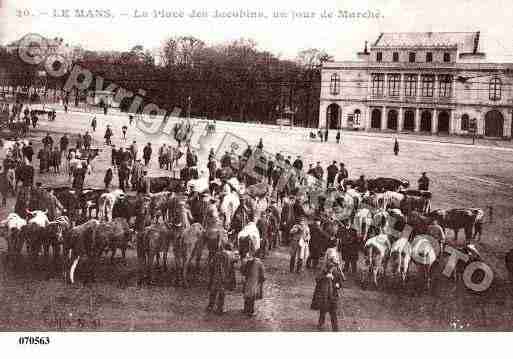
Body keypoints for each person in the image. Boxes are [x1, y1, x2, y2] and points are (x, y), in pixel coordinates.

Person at [311, 259, 344, 331]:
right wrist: (325, 276)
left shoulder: (337, 273)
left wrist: (336, 284)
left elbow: (340, 284)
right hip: (324, 296)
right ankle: (320, 324)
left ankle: (335, 328)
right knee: (323, 311)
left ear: (335, 267)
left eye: (332, 267)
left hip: (333, 297)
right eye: (329, 267)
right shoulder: (323, 272)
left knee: (333, 313)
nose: (331, 269)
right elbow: (317, 279)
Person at [206, 243, 237, 315]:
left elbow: (211, 264)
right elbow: (236, 261)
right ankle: (219, 309)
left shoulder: (217, 254)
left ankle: (210, 306)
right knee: (222, 293)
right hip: (224, 276)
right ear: (230, 248)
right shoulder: (231, 254)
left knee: (213, 291)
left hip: (216, 276)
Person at [241, 250, 266, 317]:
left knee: (247, 294)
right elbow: (262, 273)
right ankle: (250, 311)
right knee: (252, 295)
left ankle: (245, 309)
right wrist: (262, 280)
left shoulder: (247, 261)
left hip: (247, 279)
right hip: (254, 280)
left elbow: (243, 270)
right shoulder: (259, 263)